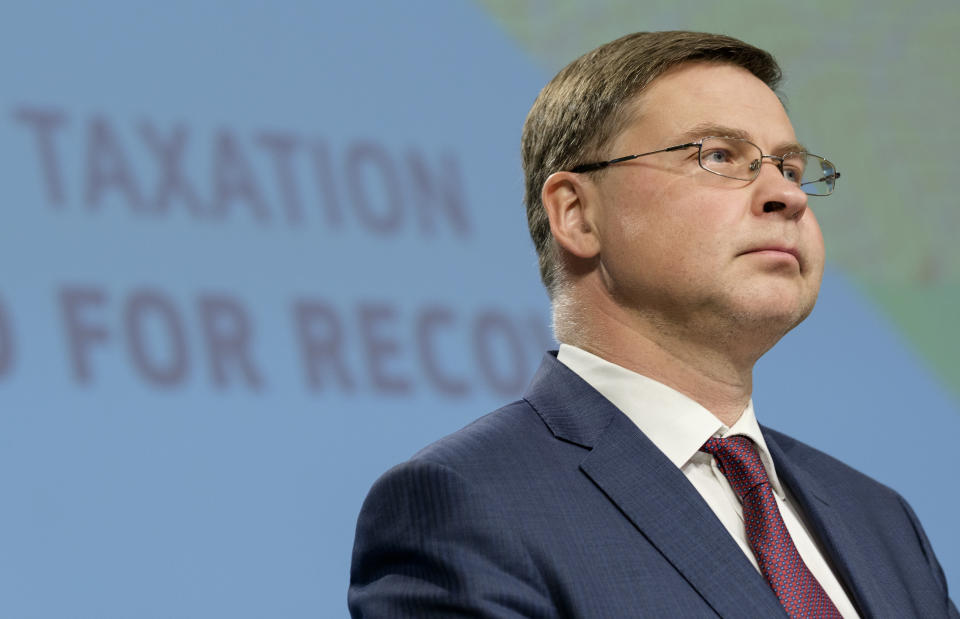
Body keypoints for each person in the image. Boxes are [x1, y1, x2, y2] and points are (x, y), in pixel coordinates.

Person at [348, 31, 958, 618]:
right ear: (577, 214)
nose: (787, 197)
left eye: (792, 170)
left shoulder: (880, 519)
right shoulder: (469, 504)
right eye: (719, 156)